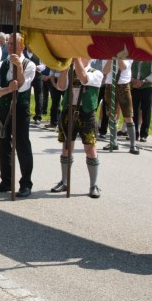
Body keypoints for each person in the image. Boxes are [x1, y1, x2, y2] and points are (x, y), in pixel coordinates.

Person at [0, 34, 36, 197]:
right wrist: (7, 89)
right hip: (3, 108)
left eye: (13, 44)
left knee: (22, 145)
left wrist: (19, 68)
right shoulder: (2, 64)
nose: (10, 47)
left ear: (22, 46)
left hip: (20, 109)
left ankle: (26, 183)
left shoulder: (29, 65)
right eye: (8, 44)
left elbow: (22, 87)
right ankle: (6, 181)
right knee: (3, 144)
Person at [52, 57, 104, 198]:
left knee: (90, 149)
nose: (78, 57)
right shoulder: (71, 71)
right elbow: (60, 86)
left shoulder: (96, 73)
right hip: (69, 111)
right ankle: (64, 182)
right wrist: (65, 68)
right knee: (66, 148)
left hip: (86, 113)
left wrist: (76, 59)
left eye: (81, 55)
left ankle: (93, 185)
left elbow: (84, 79)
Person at [129, 60, 152, 142]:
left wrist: (143, 81)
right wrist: (133, 80)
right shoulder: (133, 59)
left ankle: (144, 134)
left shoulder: (151, 60)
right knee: (134, 111)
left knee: (146, 111)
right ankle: (134, 133)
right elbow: (128, 71)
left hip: (147, 88)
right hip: (134, 88)